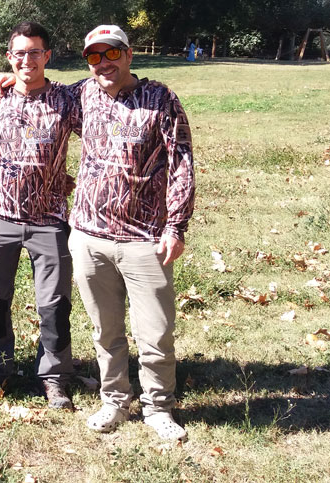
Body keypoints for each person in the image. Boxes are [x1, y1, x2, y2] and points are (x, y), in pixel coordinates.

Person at [70, 24, 195, 441]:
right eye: (94, 56)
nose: (103, 63)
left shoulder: (160, 98)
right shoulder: (84, 94)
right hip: (89, 237)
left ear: (129, 55)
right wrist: (9, 79)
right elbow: (38, 94)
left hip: (145, 239)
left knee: (155, 332)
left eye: (112, 54)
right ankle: (114, 401)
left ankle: (158, 408)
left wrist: (175, 225)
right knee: (105, 331)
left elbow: (181, 164)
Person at [0, 21, 81, 409]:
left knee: (54, 304)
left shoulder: (68, 101)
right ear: (9, 57)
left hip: (49, 220)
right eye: (19, 53)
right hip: (0, 217)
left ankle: (54, 378)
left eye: (35, 52)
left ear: (47, 56)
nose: (27, 60)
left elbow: (104, 131)